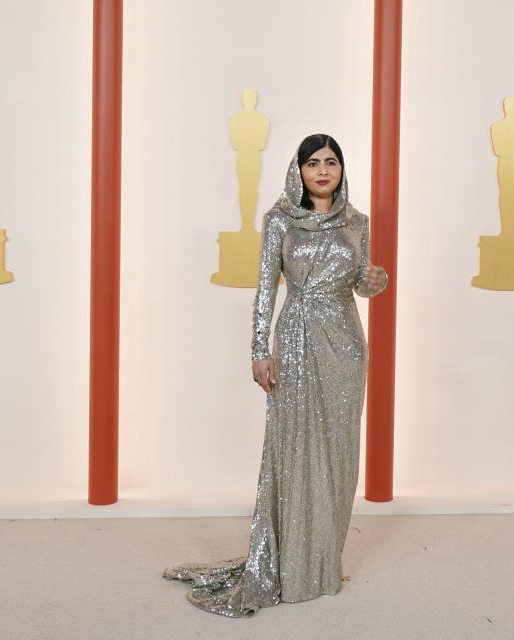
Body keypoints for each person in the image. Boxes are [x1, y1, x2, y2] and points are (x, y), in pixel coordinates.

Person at [165, 134, 388, 615]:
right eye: (313, 163)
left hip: (346, 346)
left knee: (340, 454)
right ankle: (291, 565)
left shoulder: (357, 222)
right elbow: (266, 288)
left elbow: (362, 283)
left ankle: (323, 562)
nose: (323, 171)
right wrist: (257, 350)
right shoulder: (278, 221)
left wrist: (376, 282)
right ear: (299, 171)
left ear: (342, 170)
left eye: (332, 162)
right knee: (294, 448)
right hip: (295, 339)